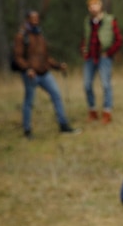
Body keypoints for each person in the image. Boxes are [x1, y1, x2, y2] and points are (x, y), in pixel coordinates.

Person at [13, 11, 81, 139]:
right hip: (31, 74)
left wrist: (58, 66)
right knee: (29, 101)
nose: (35, 21)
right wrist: (28, 69)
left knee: (56, 95)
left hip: (44, 73)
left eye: (37, 18)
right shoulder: (21, 36)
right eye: (32, 19)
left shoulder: (40, 35)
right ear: (27, 19)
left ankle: (63, 125)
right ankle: (27, 130)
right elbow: (18, 57)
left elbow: (45, 57)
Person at [80, 0, 123, 124]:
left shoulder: (110, 20)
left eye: (95, 5)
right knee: (87, 85)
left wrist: (109, 53)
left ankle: (107, 113)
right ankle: (92, 112)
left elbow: (119, 40)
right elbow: (85, 38)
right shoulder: (87, 21)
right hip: (90, 58)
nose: (93, 8)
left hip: (104, 57)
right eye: (90, 6)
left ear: (100, 6)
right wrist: (83, 49)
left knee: (105, 85)